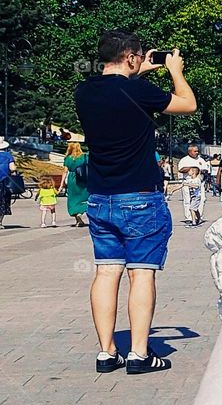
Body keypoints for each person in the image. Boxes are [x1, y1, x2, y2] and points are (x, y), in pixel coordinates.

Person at [74, 30, 196, 375]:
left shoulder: (84, 92)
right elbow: (187, 104)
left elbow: (115, 87)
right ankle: (139, 354)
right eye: (139, 56)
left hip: (101, 199)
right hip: (140, 198)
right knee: (141, 273)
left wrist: (137, 67)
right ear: (130, 57)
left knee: (106, 271)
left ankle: (106, 352)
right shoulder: (140, 92)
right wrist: (174, 70)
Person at [177, 145, 209, 224]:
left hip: (199, 182)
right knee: (188, 200)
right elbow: (181, 169)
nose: (197, 152)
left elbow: (206, 170)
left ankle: (199, 216)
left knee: (201, 199)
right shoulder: (184, 160)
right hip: (188, 181)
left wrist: (203, 172)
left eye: (197, 151)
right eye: (195, 151)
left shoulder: (201, 160)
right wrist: (193, 168)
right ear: (189, 152)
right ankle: (189, 217)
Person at [62, 141, 90, 227]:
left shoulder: (68, 158)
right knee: (85, 197)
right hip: (83, 179)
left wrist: (61, 184)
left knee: (72, 198)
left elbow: (65, 172)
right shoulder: (84, 157)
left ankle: (77, 218)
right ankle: (80, 212)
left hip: (72, 180)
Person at [0, 137, 17, 229]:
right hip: (4, 181)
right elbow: (12, 168)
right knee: (3, 201)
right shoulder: (8, 155)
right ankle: (0, 222)